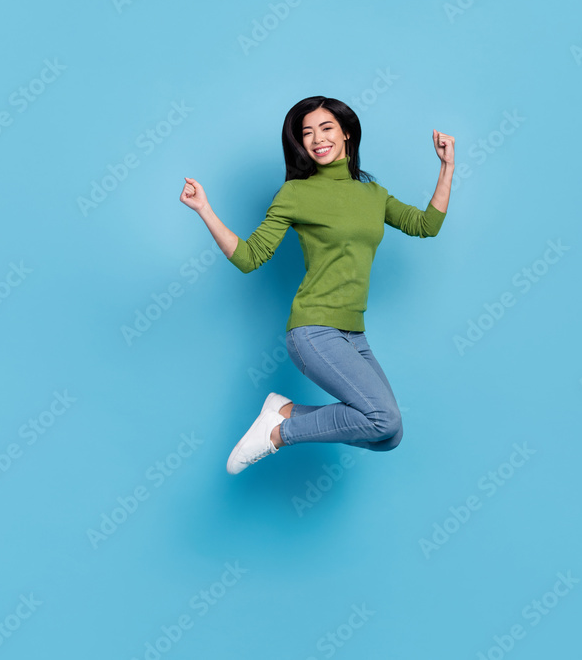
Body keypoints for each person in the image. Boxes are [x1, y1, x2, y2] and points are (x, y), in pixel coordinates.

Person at [179, 96, 454, 474]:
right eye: (306, 133)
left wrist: (447, 166)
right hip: (313, 329)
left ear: (346, 133)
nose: (316, 139)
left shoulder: (373, 194)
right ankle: (278, 434)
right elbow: (248, 257)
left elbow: (426, 225)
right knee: (382, 419)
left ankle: (283, 413)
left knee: (388, 435)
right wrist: (204, 210)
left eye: (326, 128)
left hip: (353, 334)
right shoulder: (297, 194)